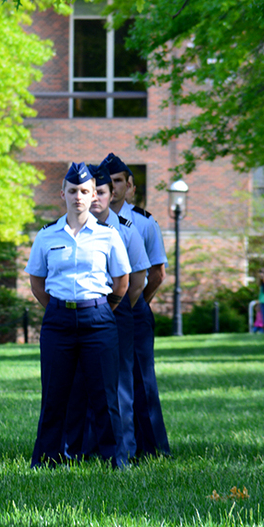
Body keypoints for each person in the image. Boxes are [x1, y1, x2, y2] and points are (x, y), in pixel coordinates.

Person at [25, 162, 131, 468]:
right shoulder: (47, 236)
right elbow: (36, 281)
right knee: (55, 394)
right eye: (73, 191)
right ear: (63, 194)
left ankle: (115, 461)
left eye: (85, 191)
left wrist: (100, 309)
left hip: (98, 320)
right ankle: (46, 459)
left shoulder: (108, 236)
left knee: (104, 396)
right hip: (58, 322)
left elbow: (122, 281)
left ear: (93, 196)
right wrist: (59, 309)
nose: (79, 197)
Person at [63, 163, 150, 464]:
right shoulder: (67, 229)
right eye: (92, 191)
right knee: (80, 384)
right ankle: (83, 448)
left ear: (111, 194)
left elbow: (137, 280)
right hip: (83, 314)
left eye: (101, 192)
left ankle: (123, 449)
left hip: (117, 311)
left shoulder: (124, 231)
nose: (96, 198)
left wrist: (114, 306)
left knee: (120, 384)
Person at [101, 153, 171, 458]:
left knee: (142, 379)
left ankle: (153, 447)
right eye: (107, 182)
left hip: (135, 308)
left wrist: (137, 303)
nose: (113, 187)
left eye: (118, 181)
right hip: (102, 308)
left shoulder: (143, 222)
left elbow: (156, 273)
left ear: (130, 186)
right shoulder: (90, 222)